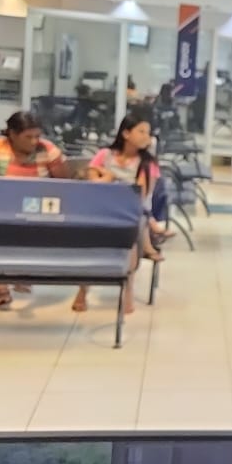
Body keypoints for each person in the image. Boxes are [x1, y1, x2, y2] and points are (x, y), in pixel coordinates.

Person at [0, 111, 70, 308]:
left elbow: (66, 186)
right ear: (12, 134)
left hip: (37, 209)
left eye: (37, 136)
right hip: (0, 207)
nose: (34, 141)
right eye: (28, 137)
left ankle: (22, 272)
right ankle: (1, 286)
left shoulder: (49, 150)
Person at [76, 114, 164, 314]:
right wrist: (109, 180)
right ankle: (83, 290)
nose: (147, 137)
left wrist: (109, 178)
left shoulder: (148, 163)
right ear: (126, 133)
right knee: (87, 239)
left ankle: (128, 288)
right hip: (100, 210)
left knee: (130, 234)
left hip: (130, 212)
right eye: (141, 131)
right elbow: (92, 184)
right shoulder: (104, 155)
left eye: (148, 133)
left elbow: (140, 194)